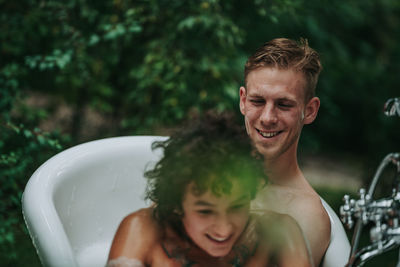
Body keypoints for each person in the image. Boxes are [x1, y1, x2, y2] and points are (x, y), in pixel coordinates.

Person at [107, 113, 312, 267]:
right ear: (177, 203)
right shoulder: (143, 232)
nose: (224, 229)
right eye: (205, 211)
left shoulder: (277, 234)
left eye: (237, 206)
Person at [239, 38, 342, 266]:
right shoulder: (208, 170)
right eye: (257, 101)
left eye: (284, 105)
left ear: (310, 110)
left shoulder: (306, 215)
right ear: (243, 101)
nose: (267, 118)